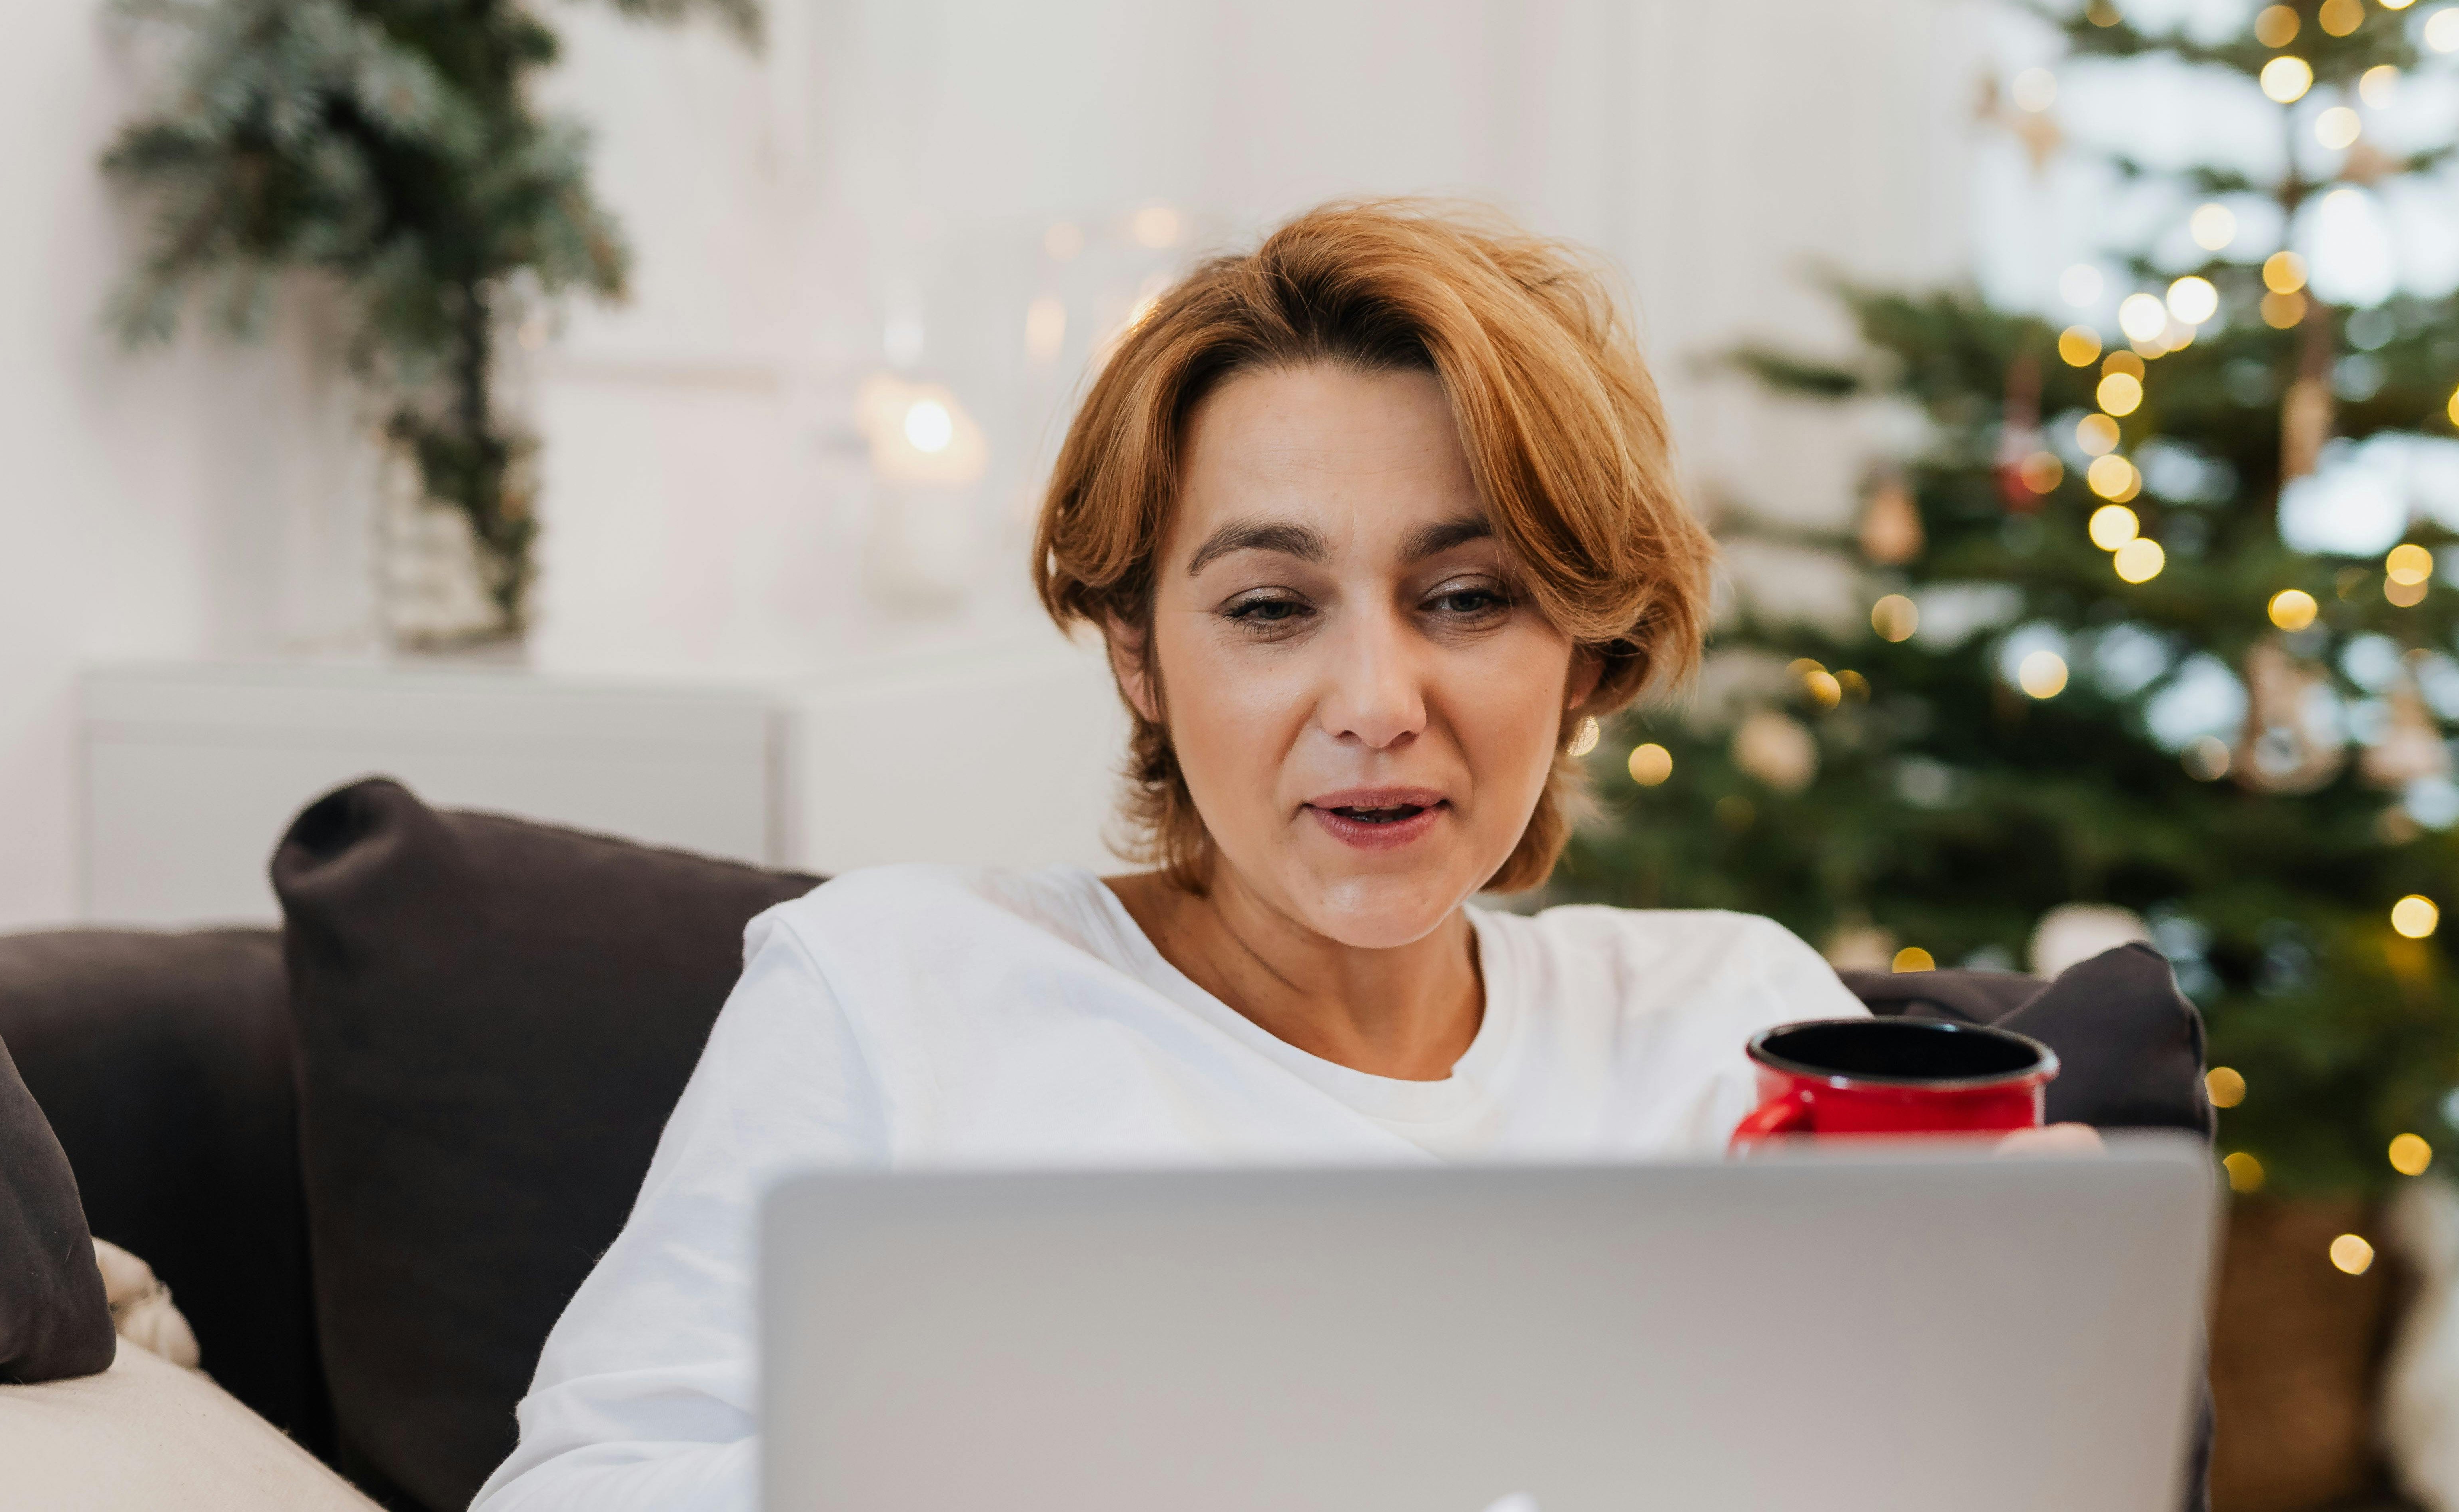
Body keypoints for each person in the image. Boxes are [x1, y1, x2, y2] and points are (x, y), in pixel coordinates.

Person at [472, 201, 2063, 1512]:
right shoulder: (891, 994)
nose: (1375, 705)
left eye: (1467, 598)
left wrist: (2006, 1368)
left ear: (1584, 652)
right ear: (1140, 660)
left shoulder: (1731, 1028)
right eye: (1268, 609)